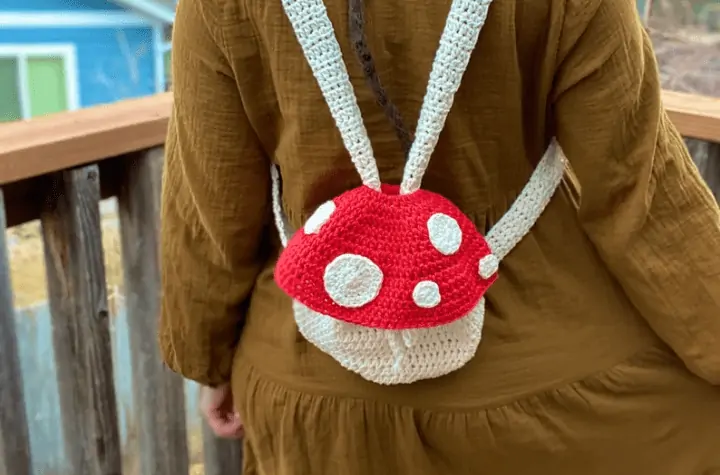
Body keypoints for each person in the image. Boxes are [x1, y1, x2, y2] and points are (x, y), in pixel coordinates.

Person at [159, 0, 720, 473]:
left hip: (315, 393)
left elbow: (211, 209)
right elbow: (639, 191)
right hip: (543, 391)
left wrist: (208, 361)